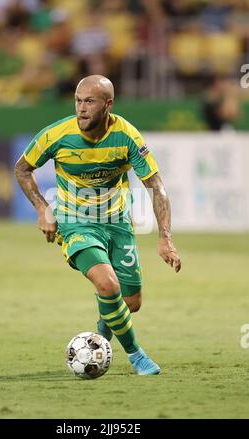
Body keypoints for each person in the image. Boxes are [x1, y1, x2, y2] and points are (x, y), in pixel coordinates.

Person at [14, 74, 181, 375]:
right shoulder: (56, 135)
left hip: (118, 223)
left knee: (130, 302)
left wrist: (165, 236)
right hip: (75, 224)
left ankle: (101, 336)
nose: (81, 108)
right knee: (108, 284)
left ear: (108, 105)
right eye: (78, 101)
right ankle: (137, 356)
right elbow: (23, 169)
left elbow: (155, 185)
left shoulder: (126, 136)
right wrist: (42, 208)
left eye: (89, 101)